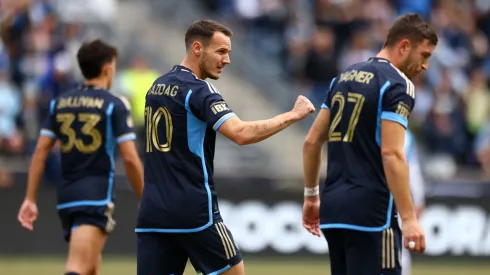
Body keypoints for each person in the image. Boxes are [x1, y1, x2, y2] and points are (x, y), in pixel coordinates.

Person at [135, 19, 315, 275]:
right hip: (193, 211)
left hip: (153, 212)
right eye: (221, 51)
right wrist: (292, 115)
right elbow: (240, 134)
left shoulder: (156, 87)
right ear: (197, 48)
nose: (227, 59)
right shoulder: (198, 90)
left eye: (228, 52)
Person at [301, 13, 438, 275]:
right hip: (373, 215)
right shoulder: (398, 85)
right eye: (425, 55)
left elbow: (312, 141)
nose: (425, 65)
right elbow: (392, 153)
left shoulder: (342, 78)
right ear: (404, 46)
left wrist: (311, 196)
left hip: (334, 211)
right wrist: (409, 219)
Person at [17, 39, 144, 275]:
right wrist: (143, 196)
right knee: (77, 267)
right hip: (95, 196)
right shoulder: (114, 104)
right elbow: (129, 158)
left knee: (90, 267)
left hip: (67, 195)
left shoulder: (59, 103)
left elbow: (41, 151)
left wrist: (30, 198)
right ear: (107, 67)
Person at [401, 130, 426, 275]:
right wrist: (419, 200)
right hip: (395, 198)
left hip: (379, 197)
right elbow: (413, 170)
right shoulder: (404, 133)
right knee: (398, 250)